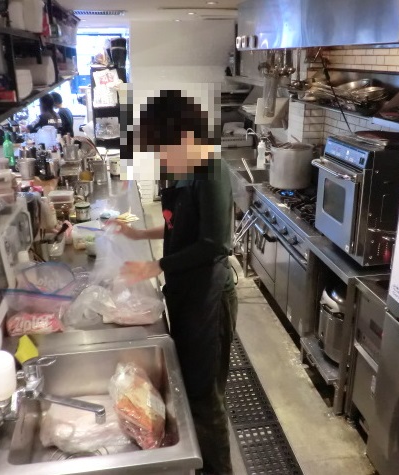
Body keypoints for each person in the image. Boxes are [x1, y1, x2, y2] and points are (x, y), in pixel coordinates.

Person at [116, 90, 237, 475]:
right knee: (189, 385)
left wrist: (156, 266)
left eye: (162, 147)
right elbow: (177, 225)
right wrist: (140, 235)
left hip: (209, 299)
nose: (160, 156)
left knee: (205, 397)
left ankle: (219, 470)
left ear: (186, 134)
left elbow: (214, 243)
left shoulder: (212, 171)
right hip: (185, 294)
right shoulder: (182, 168)